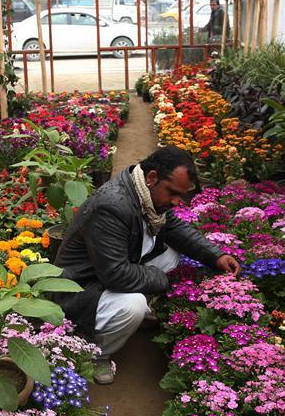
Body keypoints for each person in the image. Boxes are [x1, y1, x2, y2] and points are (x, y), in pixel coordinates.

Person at [50, 147, 241, 384]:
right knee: (134, 305)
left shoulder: (142, 192)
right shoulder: (112, 206)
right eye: (172, 192)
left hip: (106, 271)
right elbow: (116, 275)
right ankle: (96, 352)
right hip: (78, 289)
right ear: (152, 178)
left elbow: (172, 227)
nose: (176, 202)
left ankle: (119, 320)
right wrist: (162, 281)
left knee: (171, 255)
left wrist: (216, 256)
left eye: (181, 195)